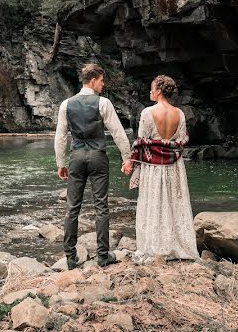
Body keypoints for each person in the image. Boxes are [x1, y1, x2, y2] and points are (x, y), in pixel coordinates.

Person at [55, 63, 132, 269]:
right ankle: (102, 256)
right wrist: (127, 158)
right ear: (93, 80)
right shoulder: (103, 103)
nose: (103, 84)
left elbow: (60, 137)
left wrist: (60, 163)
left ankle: (71, 258)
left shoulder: (66, 104)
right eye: (101, 81)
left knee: (72, 208)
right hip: (98, 156)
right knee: (101, 207)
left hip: (76, 157)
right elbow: (118, 132)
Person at [123, 75, 199, 263]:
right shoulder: (179, 114)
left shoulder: (148, 113)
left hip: (153, 167)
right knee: (173, 203)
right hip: (174, 166)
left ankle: (154, 245)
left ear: (158, 90)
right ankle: (176, 244)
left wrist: (132, 165)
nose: (150, 92)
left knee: (154, 203)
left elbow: (141, 144)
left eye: (152, 88)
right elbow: (181, 141)